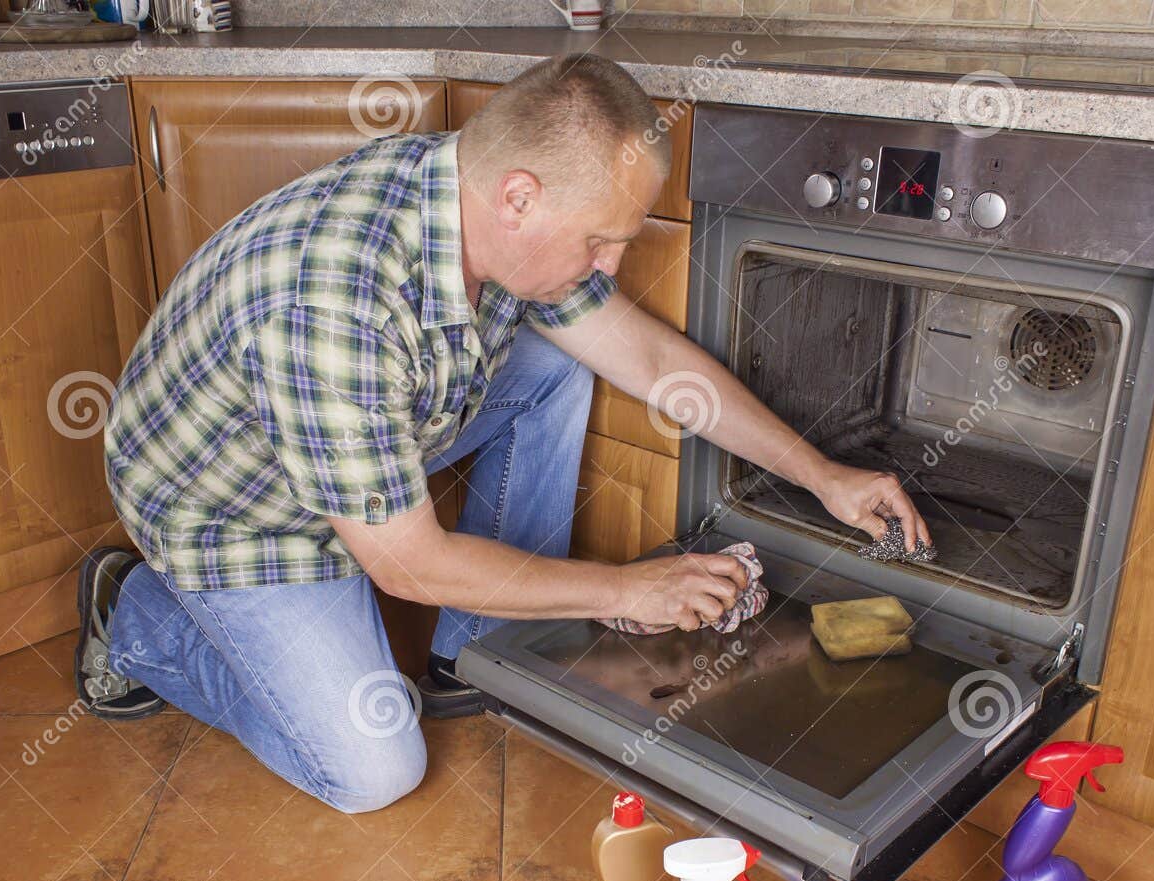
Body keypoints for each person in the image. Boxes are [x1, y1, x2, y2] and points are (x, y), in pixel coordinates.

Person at [75, 53, 929, 815]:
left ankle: (474, 650)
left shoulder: (482, 209)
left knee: (561, 359)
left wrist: (821, 474)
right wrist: (625, 590)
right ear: (519, 197)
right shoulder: (333, 301)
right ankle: (138, 613)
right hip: (237, 510)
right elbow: (406, 563)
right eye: (601, 240)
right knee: (374, 770)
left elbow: (642, 353)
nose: (611, 265)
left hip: (360, 438)